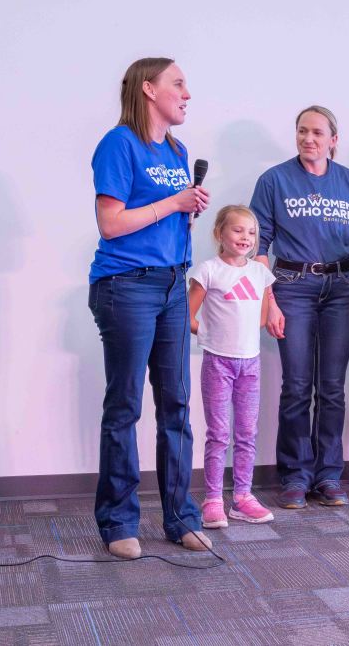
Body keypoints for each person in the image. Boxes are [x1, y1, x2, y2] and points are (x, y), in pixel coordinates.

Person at [88, 57, 211, 559]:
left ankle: (181, 517)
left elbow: (165, 218)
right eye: (178, 83)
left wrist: (187, 208)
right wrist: (174, 204)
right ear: (148, 89)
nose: (187, 93)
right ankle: (119, 522)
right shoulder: (119, 144)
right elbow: (111, 223)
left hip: (172, 285)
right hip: (126, 286)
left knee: (177, 405)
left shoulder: (177, 150)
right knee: (125, 406)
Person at [249, 105, 349, 509]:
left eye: (318, 133)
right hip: (292, 287)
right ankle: (295, 474)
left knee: (333, 387)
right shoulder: (274, 181)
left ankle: (329, 474)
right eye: (302, 131)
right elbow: (258, 246)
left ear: (333, 140)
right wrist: (268, 301)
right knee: (297, 385)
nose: (309, 139)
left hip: (341, 288)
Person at [188, 205, 276, 528]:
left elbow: (263, 318)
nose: (245, 237)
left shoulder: (260, 273)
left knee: (247, 432)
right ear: (219, 233)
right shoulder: (208, 271)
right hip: (218, 362)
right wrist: (210, 335)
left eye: (251, 232)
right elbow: (186, 316)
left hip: (250, 363)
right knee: (219, 433)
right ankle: (213, 499)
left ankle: (242, 497)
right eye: (237, 230)